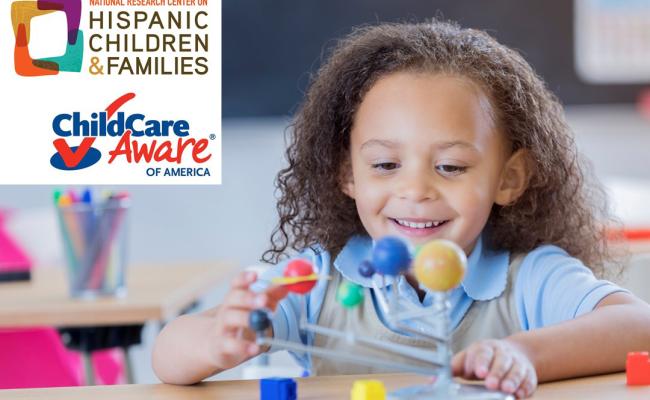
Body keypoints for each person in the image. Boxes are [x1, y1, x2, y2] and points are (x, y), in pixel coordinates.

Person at [152, 20, 650, 398]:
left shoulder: (528, 280)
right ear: (347, 173)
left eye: (451, 167)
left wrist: (524, 354)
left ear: (508, 178)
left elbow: (637, 326)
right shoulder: (317, 284)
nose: (415, 190)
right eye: (386, 164)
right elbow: (167, 354)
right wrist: (217, 341)